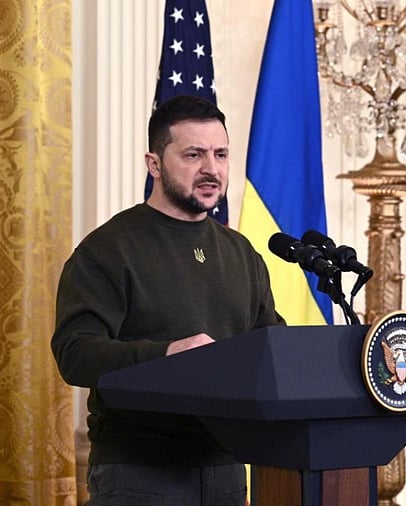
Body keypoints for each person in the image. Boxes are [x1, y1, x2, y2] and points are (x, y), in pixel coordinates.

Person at [51, 95, 285, 505]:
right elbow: (75, 354)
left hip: (227, 469)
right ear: (154, 164)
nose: (211, 168)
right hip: (138, 472)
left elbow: (270, 348)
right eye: (193, 154)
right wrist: (169, 354)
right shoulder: (108, 249)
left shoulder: (242, 253)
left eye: (220, 154)